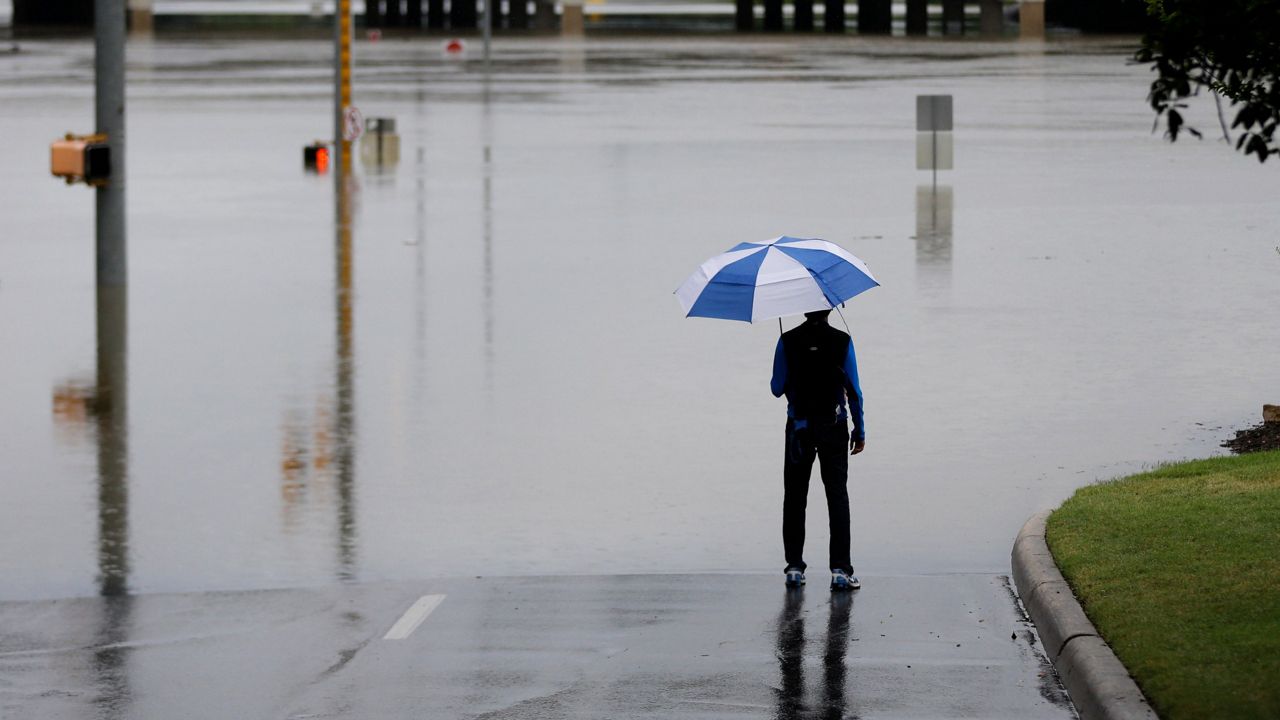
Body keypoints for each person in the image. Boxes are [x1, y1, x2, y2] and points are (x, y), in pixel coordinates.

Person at [770, 308, 865, 591]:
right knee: (837, 495)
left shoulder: (786, 340)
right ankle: (840, 571)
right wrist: (859, 431)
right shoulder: (842, 340)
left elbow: (776, 388)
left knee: (795, 496)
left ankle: (794, 568)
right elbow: (855, 391)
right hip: (833, 426)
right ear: (829, 308)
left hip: (798, 429)